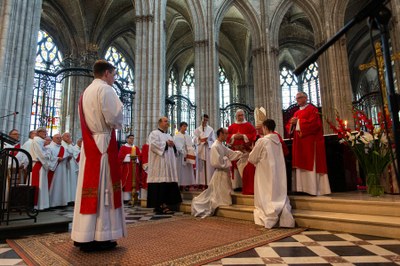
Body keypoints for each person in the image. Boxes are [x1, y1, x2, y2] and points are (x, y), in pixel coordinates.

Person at [71, 59, 126, 252]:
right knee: (104, 188)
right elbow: (114, 117)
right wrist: (121, 112)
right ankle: (101, 236)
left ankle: (84, 234)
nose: (114, 78)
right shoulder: (106, 90)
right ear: (106, 73)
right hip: (102, 144)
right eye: (114, 74)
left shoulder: (86, 92)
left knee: (89, 187)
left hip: (91, 145)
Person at [249, 119, 295, 228]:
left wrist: (253, 151)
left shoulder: (262, 141)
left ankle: (270, 213)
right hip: (277, 172)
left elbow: (252, 158)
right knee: (275, 192)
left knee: (266, 192)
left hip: (264, 172)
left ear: (265, 127)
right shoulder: (277, 140)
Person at [191, 128, 242, 218]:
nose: (227, 135)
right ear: (221, 134)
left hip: (224, 173)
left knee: (224, 194)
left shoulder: (221, 145)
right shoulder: (215, 146)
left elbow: (230, 153)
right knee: (217, 195)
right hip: (220, 173)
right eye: (226, 133)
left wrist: (241, 153)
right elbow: (216, 162)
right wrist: (227, 160)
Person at [287, 91, 331, 196]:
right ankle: (302, 188)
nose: (298, 100)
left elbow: (315, 125)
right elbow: (289, 127)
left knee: (310, 163)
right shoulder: (296, 113)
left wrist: (298, 122)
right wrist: (292, 123)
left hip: (310, 143)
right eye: (296, 98)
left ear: (306, 98)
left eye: (300, 97)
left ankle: (312, 189)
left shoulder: (312, 109)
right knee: (300, 165)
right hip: (299, 143)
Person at [147, 117, 182, 214]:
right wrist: (166, 144)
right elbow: (153, 145)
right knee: (160, 184)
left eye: (168, 121)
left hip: (168, 165)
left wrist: (173, 145)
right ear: (160, 123)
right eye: (165, 121)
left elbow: (176, 151)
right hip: (159, 164)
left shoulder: (169, 135)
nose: (167, 123)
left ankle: (167, 204)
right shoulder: (154, 133)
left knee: (167, 184)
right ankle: (159, 205)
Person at [227, 109, 257, 192]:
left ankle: (245, 185)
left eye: (242, 115)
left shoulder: (249, 125)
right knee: (236, 169)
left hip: (245, 151)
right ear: (236, 116)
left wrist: (243, 136)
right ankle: (236, 185)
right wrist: (234, 136)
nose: (240, 117)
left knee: (244, 168)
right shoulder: (232, 126)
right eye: (239, 115)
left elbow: (253, 135)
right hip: (235, 150)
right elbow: (227, 136)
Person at [30, 127, 58, 210]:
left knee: (42, 185)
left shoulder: (40, 141)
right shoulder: (37, 141)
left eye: (46, 132)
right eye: (44, 132)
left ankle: (42, 205)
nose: (46, 133)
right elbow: (41, 155)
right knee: (39, 185)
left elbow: (44, 152)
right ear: (39, 132)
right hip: (38, 165)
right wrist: (48, 155)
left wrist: (47, 153)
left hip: (41, 165)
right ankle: (37, 205)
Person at [193, 114, 215, 189]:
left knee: (208, 166)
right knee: (200, 167)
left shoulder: (211, 129)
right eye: (203, 120)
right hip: (200, 149)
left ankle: (208, 182)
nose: (204, 121)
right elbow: (194, 139)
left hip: (208, 149)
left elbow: (214, 140)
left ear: (207, 120)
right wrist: (199, 139)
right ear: (201, 119)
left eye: (206, 120)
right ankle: (200, 183)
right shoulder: (197, 129)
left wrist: (208, 142)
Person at [118, 134, 141, 202]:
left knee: (135, 181)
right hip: (126, 168)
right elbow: (119, 158)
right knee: (127, 181)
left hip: (135, 168)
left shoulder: (136, 148)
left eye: (133, 138)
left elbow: (139, 157)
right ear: (127, 139)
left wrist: (137, 159)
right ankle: (126, 198)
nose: (132, 140)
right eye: (130, 138)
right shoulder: (123, 147)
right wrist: (127, 156)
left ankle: (135, 197)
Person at [48, 134, 70, 207]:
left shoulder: (63, 148)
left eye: (60, 138)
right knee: (54, 185)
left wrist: (68, 159)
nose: (59, 139)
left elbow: (66, 156)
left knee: (62, 184)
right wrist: (57, 159)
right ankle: (52, 202)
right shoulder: (49, 147)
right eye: (57, 138)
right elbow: (48, 158)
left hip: (62, 168)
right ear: (53, 139)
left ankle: (61, 202)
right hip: (54, 169)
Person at [173, 122, 196, 190]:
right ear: (180, 127)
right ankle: (180, 185)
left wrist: (190, 151)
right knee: (181, 171)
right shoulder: (177, 136)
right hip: (181, 157)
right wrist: (183, 151)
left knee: (188, 171)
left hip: (188, 155)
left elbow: (190, 145)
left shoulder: (188, 136)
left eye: (186, 126)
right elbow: (177, 146)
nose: (185, 128)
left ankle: (187, 185)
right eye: (184, 126)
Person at [62, 132, 79, 204]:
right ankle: (67, 199)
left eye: (69, 136)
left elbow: (74, 152)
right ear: (63, 137)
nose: (69, 138)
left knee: (71, 181)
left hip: (71, 164)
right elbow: (68, 152)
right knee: (67, 181)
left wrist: (70, 145)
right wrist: (70, 145)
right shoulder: (62, 144)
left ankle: (72, 198)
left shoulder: (70, 144)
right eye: (67, 136)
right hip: (66, 164)